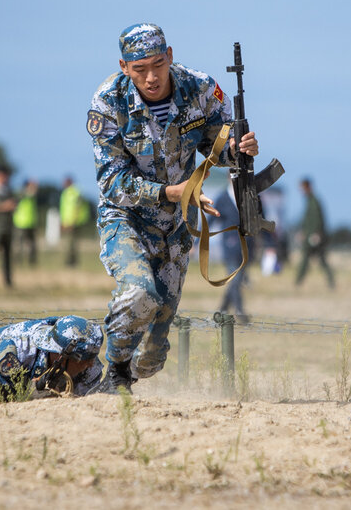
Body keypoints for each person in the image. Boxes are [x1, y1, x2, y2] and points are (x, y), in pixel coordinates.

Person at [85, 23, 259, 393]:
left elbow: (219, 145)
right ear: (124, 67)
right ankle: (112, 375)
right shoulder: (107, 103)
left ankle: (130, 372)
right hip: (126, 217)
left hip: (177, 224)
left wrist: (238, 150)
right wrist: (170, 191)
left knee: (153, 354)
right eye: (140, 68)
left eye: (158, 65)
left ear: (171, 57)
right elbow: (112, 182)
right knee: (137, 293)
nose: (151, 77)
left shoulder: (201, 91)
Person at [212, 181, 250, 322]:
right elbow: (211, 218)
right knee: (235, 279)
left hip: (246, 248)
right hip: (229, 247)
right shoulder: (223, 198)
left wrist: (270, 243)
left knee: (236, 280)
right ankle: (239, 311)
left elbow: (260, 218)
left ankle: (222, 309)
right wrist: (197, 242)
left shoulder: (250, 196)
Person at [294, 178, 335, 289]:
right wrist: (302, 232)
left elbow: (319, 219)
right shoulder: (309, 201)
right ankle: (298, 282)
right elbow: (307, 220)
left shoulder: (314, 201)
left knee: (320, 261)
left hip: (314, 237)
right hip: (309, 236)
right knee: (308, 260)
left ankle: (331, 282)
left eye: (302, 188)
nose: (301, 191)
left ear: (308, 187)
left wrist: (317, 234)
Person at [60, 176, 90, 267]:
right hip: (67, 222)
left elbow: (77, 207)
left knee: (71, 243)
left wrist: (73, 220)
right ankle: (71, 261)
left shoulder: (75, 192)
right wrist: (63, 222)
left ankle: (71, 261)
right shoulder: (65, 193)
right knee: (69, 243)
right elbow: (64, 209)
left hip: (74, 222)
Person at [13, 179, 39, 266]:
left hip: (30, 223)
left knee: (32, 245)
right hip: (20, 223)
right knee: (18, 244)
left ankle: (32, 262)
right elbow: (28, 194)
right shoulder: (21, 193)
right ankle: (17, 261)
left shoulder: (32, 195)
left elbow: (34, 193)